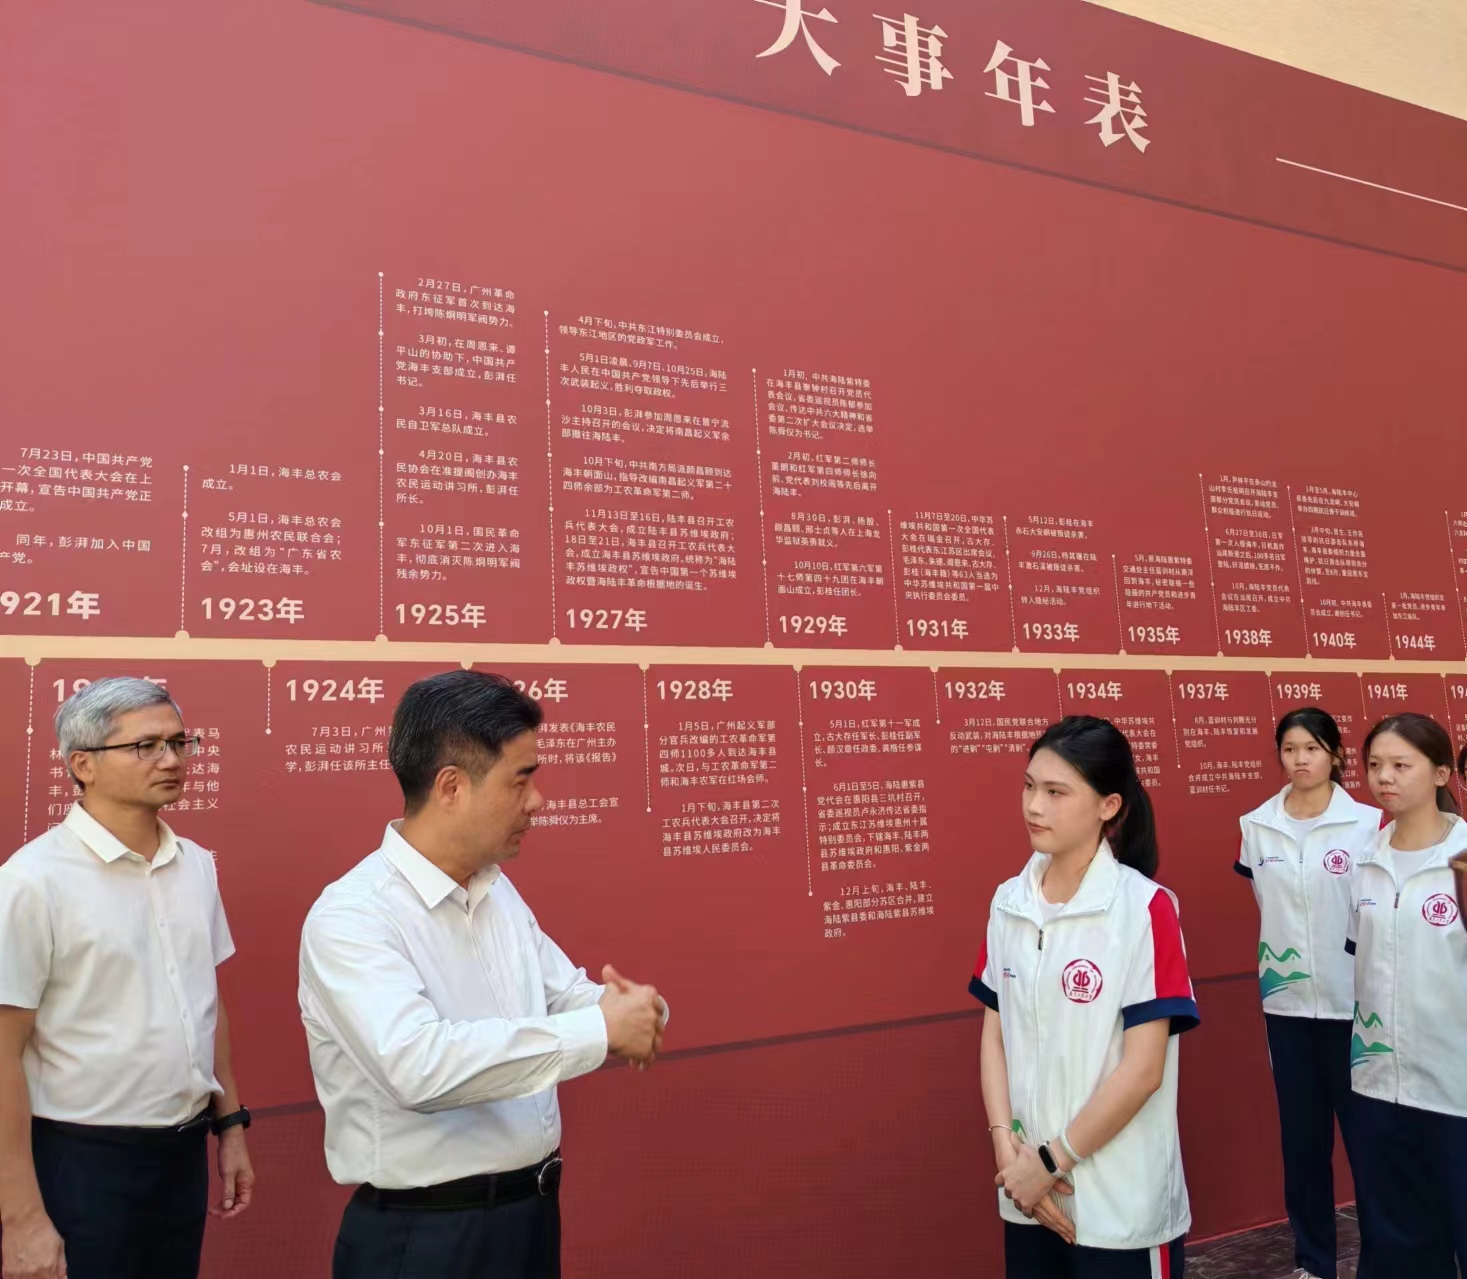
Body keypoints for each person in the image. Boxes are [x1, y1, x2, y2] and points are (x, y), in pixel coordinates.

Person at [300, 670, 668, 1279]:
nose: (537, 800)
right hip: (426, 1238)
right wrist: (602, 1029)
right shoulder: (353, 916)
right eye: (520, 779)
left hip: (528, 1218)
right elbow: (417, 1067)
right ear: (451, 787)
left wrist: (635, 1012)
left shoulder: (497, 894)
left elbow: (563, 997)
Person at [0, 677, 253, 1279]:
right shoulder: (32, 881)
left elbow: (205, 1002)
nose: (171, 760)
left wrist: (230, 1126)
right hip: (80, 1160)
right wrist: (21, 1217)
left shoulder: (196, 865)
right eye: (145, 746)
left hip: (182, 1154)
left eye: (179, 742)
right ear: (82, 765)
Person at [972, 716, 1199, 1278]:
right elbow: (995, 1036)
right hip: (1026, 1194)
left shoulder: (1145, 909)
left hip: (1118, 1205)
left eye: (1056, 792)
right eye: (1030, 786)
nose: (1034, 806)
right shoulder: (1009, 903)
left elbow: (1143, 1070)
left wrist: (1051, 1162)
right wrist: (1007, 1151)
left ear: (1108, 805)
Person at [1235, 707, 1379, 1279]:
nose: (1301, 760)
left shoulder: (1367, 824)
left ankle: (1382, 1259)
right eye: (1291, 749)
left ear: (1335, 755)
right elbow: (1265, 905)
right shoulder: (1256, 825)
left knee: (1369, 1142)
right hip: (1287, 1007)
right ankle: (1314, 1262)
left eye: (1313, 749)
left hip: (1355, 1005)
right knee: (1302, 1143)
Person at [1349, 714, 1467, 1278]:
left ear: (1441, 772)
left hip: (1455, 1085)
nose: (1384, 777)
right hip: (1379, 1084)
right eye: (1375, 765)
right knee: (1397, 1242)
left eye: (1401, 765)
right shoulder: (1366, 859)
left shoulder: (1462, 858)